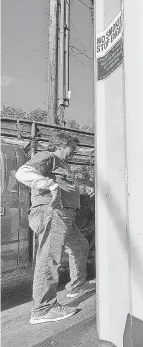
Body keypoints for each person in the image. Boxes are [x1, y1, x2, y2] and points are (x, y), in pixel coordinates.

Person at [15, 132, 95, 324]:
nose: (74, 152)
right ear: (60, 145)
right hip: (52, 212)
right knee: (50, 257)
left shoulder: (62, 165)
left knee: (80, 245)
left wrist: (84, 190)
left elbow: (66, 187)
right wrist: (49, 185)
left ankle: (76, 285)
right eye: (71, 148)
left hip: (65, 215)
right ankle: (43, 309)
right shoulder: (48, 157)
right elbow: (23, 173)